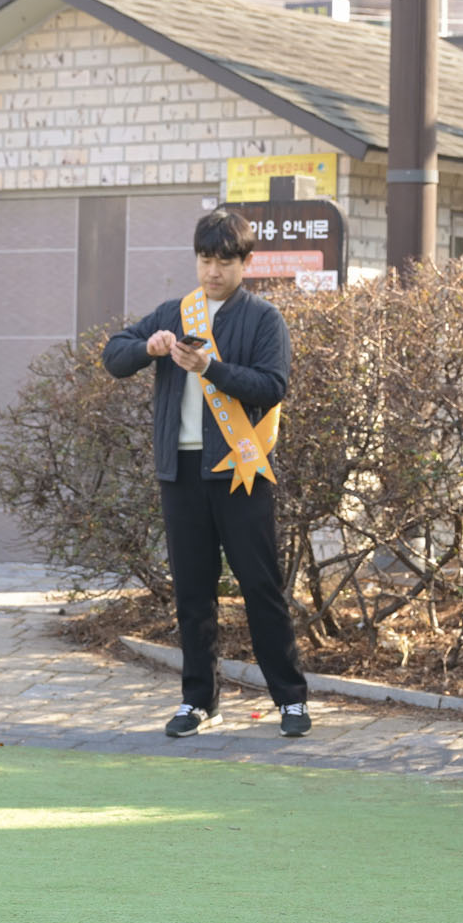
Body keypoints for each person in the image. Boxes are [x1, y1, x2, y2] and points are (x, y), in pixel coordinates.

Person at [102, 209, 313, 739]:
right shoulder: (175, 312)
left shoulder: (263, 318)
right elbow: (114, 356)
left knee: (260, 586)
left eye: (224, 261)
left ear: (246, 263)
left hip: (241, 469)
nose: (213, 271)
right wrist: (147, 347)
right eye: (204, 260)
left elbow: (273, 385)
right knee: (192, 590)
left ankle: (290, 699)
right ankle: (199, 701)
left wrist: (209, 368)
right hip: (182, 470)